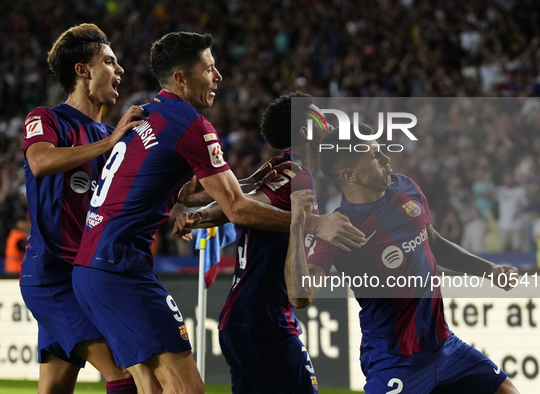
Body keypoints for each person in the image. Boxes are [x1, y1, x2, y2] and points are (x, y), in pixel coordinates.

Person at [72, 34, 363, 394]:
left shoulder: (150, 115)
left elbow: (187, 193)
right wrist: (316, 223)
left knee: (144, 385)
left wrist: (214, 191)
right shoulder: (190, 124)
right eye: (209, 68)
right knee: (187, 390)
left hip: (90, 268)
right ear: (181, 77)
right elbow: (238, 209)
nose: (218, 76)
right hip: (121, 268)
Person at [286, 125, 521, 394]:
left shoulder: (404, 187)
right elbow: (301, 297)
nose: (386, 159)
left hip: (445, 347)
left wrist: (489, 270)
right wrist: (297, 226)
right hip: (395, 362)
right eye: (374, 156)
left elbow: (432, 241)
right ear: (349, 174)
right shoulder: (339, 229)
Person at [173, 92, 364, 393]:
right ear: (306, 132)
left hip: (240, 321)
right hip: (264, 323)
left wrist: (201, 215)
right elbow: (245, 208)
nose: (328, 124)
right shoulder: (295, 177)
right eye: (320, 118)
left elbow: (241, 199)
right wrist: (201, 214)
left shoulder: (279, 169)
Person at [19, 23, 152, 394]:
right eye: (109, 61)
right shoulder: (46, 118)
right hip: (53, 275)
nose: (120, 70)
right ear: (82, 70)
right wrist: (110, 142)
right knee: (126, 374)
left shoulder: (110, 137)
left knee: (54, 391)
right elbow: (41, 161)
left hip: (87, 278)